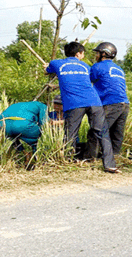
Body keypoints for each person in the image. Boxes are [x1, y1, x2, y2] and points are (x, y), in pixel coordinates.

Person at [45, 41, 119, 173]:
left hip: (74, 103)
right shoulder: (86, 66)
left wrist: (47, 68)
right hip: (94, 101)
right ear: (78, 54)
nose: (83, 55)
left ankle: (67, 161)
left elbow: (47, 70)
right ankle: (109, 164)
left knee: (71, 133)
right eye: (83, 53)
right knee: (102, 132)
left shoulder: (56, 63)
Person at [87, 42, 130, 158]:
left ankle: (90, 158)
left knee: (96, 131)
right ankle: (114, 157)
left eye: (97, 53)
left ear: (104, 54)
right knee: (116, 133)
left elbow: (87, 80)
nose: (96, 56)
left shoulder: (98, 66)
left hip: (111, 103)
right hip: (124, 104)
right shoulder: (119, 69)